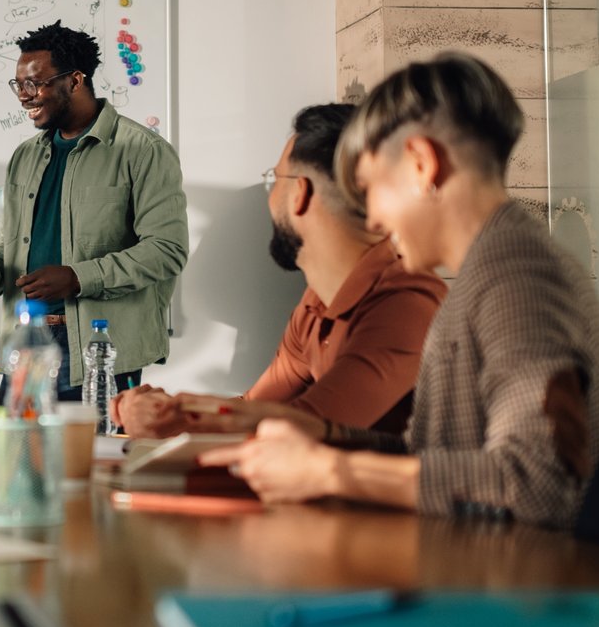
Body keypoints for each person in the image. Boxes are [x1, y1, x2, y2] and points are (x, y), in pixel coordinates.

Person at [200, 53, 599, 529]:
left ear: (423, 165)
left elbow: (537, 483)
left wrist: (331, 470)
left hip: (529, 595)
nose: (374, 220)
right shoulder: (488, 268)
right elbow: (439, 460)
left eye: (369, 188)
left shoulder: (516, 274)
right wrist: (325, 434)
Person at [112, 104, 446, 438]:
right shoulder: (317, 301)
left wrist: (176, 415)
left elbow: (307, 429)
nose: (269, 198)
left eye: (273, 179)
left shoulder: (405, 303)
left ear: (300, 193)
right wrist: (168, 410)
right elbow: (255, 408)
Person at [0, 21, 188, 398]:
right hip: (25, 345)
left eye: (34, 83)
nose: (24, 96)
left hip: (100, 352)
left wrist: (78, 277)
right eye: (19, 85)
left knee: (91, 457)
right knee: (15, 456)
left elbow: (166, 251)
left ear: (75, 81)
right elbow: (11, 245)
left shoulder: (142, 150)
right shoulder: (26, 156)